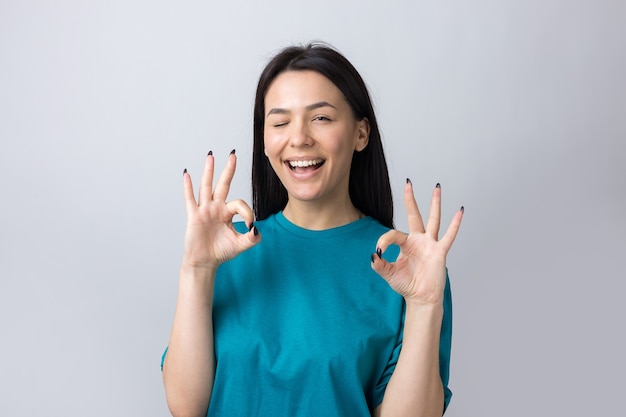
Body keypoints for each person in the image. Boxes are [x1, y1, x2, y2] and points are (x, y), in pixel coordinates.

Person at [161, 43, 463, 417]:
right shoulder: (226, 250)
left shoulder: (405, 268)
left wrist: (424, 305)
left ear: (360, 134)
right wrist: (196, 270)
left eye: (321, 118)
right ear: (265, 139)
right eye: (280, 121)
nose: (299, 138)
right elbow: (187, 407)